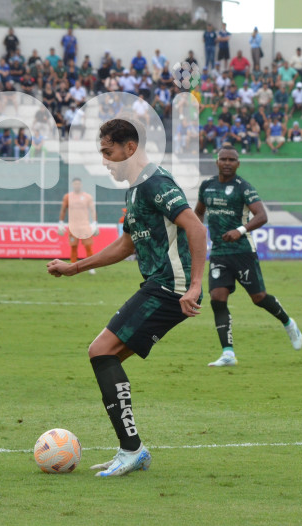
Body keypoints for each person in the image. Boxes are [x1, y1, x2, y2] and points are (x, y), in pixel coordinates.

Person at [46, 119, 206, 477]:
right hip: (159, 285)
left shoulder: (156, 183)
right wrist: (75, 267)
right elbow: (126, 244)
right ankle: (131, 449)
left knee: (99, 350)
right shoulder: (134, 190)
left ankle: (132, 449)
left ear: (129, 148)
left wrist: (195, 285)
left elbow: (195, 226)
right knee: (107, 356)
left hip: (170, 287)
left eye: (108, 153)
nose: (105, 162)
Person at [194, 147, 302, 367]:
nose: (227, 162)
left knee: (258, 298)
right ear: (217, 162)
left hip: (243, 251)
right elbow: (198, 212)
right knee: (217, 298)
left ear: (238, 164)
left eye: (231, 160)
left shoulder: (243, 188)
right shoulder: (207, 186)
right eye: (223, 159)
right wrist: (196, 232)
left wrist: (240, 230)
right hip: (218, 253)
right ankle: (228, 353)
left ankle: (288, 322)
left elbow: (262, 216)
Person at [58, 177, 98, 274]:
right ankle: (73, 267)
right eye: (75, 184)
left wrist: (95, 223)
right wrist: (61, 223)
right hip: (73, 226)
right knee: (73, 247)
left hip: (85, 226)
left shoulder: (87, 197)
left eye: (78, 184)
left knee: (88, 246)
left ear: (81, 185)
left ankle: (91, 267)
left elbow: (92, 210)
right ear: (72, 185)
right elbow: (63, 210)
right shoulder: (68, 197)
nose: (77, 185)